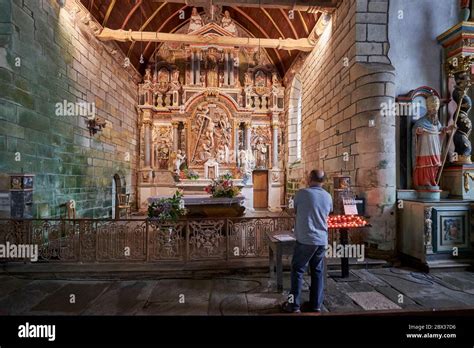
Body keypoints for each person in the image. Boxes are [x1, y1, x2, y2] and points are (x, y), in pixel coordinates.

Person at [282, 169, 333, 313]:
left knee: (297, 271)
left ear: (309, 179)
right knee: (317, 271)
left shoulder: (302, 194)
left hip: (305, 240)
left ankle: (294, 305)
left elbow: (293, 210)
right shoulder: (328, 196)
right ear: (323, 181)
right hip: (321, 240)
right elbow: (328, 212)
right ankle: (316, 305)